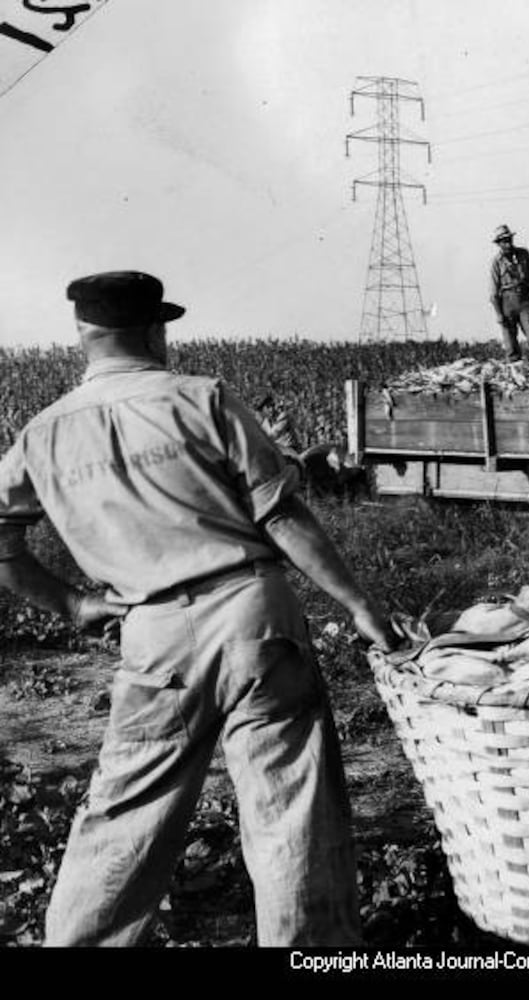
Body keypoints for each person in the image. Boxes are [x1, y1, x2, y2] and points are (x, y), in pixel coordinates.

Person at [0, 271, 399, 946]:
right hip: (255, 617)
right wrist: (358, 604)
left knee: (124, 816)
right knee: (288, 813)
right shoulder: (201, 397)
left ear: (83, 337)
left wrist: (70, 603)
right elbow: (281, 513)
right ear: (156, 330)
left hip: (153, 637)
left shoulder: (41, 434)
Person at [489, 223, 529, 363]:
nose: (508, 243)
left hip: (524, 300)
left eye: (509, 239)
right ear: (499, 244)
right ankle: (514, 368)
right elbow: (493, 293)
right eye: (504, 241)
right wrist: (499, 314)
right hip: (506, 302)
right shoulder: (496, 262)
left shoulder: (524, 254)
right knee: (510, 341)